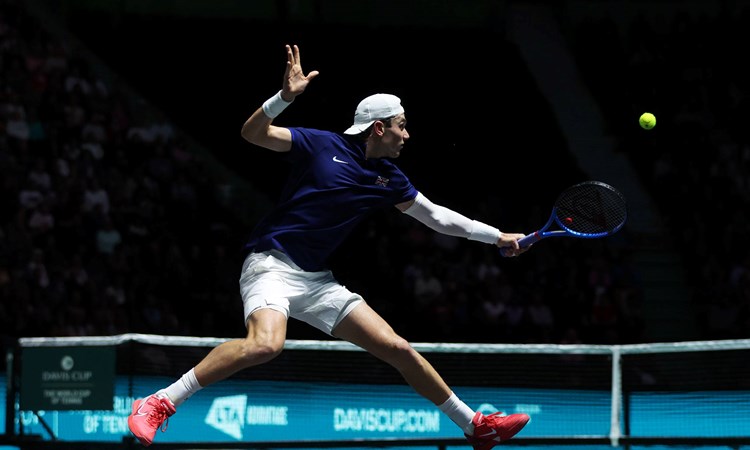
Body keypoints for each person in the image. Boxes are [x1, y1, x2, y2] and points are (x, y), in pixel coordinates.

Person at [127, 44, 531, 448]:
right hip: (271, 266)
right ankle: (159, 401)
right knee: (266, 344)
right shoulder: (319, 145)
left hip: (317, 282)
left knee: (397, 347)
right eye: (401, 125)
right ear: (379, 127)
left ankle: (475, 425)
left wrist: (496, 236)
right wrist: (284, 98)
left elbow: (437, 217)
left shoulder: (390, 178)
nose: (407, 134)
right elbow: (252, 134)